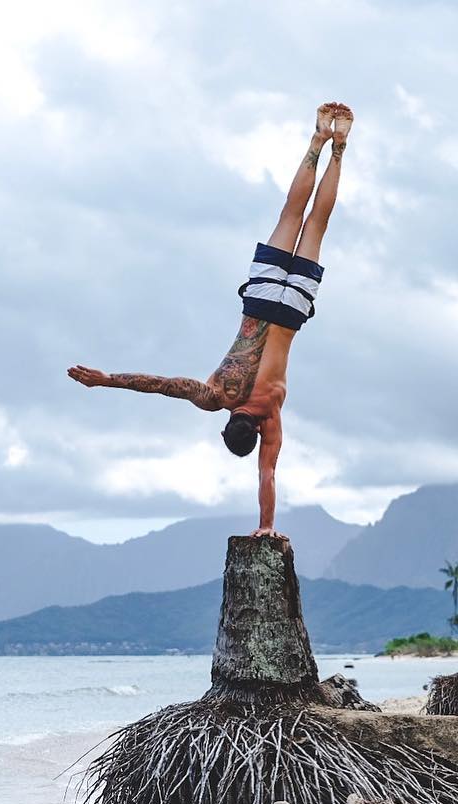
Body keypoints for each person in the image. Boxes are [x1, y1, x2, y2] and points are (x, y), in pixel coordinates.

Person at [68, 102, 353, 538]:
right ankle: (317, 140)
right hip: (258, 305)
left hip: (292, 311)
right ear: (225, 422)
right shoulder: (215, 394)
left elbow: (267, 477)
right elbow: (161, 385)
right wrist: (105, 379)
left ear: (254, 433)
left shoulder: (271, 414)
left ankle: (338, 148)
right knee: (291, 216)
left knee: (316, 225)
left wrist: (267, 527)